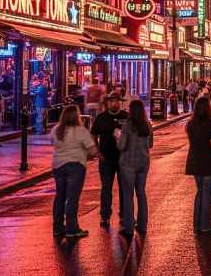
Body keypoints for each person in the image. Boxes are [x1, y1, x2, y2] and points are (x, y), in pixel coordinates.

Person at [51, 105, 98, 238]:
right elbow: (93, 150)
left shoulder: (55, 129)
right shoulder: (80, 131)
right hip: (76, 165)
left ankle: (57, 227)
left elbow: (53, 143)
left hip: (58, 166)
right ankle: (72, 228)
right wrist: (88, 155)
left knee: (60, 196)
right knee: (72, 197)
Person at [90, 92, 128, 228]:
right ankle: (105, 216)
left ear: (120, 102)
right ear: (107, 103)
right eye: (110, 101)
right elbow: (93, 135)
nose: (113, 104)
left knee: (124, 189)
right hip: (106, 159)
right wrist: (97, 153)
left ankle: (124, 215)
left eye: (115, 101)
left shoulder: (126, 117)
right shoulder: (101, 118)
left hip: (123, 159)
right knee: (106, 189)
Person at [184, 97, 211, 235]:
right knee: (207, 195)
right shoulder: (209, 124)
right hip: (209, 163)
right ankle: (206, 225)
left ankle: (197, 225)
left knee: (200, 192)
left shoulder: (191, 124)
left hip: (195, 161)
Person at [117, 99, 153, 237]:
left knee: (128, 195)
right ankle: (142, 225)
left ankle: (128, 227)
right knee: (141, 193)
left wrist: (117, 138)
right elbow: (150, 145)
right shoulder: (147, 125)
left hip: (128, 163)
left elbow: (122, 146)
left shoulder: (127, 126)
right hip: (143, 162)